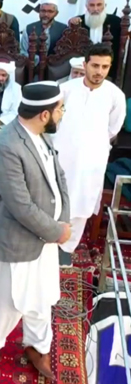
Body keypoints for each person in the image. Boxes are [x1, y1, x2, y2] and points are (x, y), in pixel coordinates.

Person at [0, 81, 71, 379]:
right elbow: (20, 205)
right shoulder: (5, 144)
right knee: (8, 302)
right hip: (18, 240)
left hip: (47, 238)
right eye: (60, 110)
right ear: (44, 114)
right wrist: (55, 231)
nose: (62, 114)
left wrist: (60, 223)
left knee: (42, 299)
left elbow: (59, 180)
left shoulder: (43, 136)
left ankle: (37, 348)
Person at [54, 44, 125, 264]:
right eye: (95, 65)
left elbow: (113, 129)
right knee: (55, 195)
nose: (99, 71)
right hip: (63, 152)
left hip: (92, 158)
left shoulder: (115, 95)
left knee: (81, 200)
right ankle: (46, 240)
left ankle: (67, 246)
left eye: (105, 67)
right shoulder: (66, 89)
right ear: (85, 65)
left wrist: (90, 142)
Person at [69, 0, 122, 80]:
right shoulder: (79, 21)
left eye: (99, 5)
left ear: (104, 6)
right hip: (83, 68)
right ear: (87, 6)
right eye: (92, 5)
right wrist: (71, 23)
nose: (95, 8)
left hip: (108, 68)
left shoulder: (115, 22)